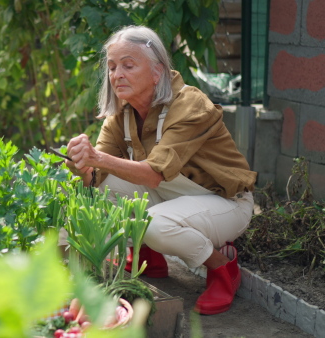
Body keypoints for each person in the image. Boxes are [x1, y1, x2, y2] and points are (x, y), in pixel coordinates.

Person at [64, 25, 257, 315]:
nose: (117, 74)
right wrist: (81, 166)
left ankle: (222, 268)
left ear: (158, 72)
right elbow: (97, 179)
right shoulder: (121, 114)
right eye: (113, 67)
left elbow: (154, 173)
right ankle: (149, 256)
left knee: (151, 223)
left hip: (226, 203)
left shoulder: (190, 105)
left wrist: (96, 158)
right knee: (103, 191)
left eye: (128, 65)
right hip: (173, 194)